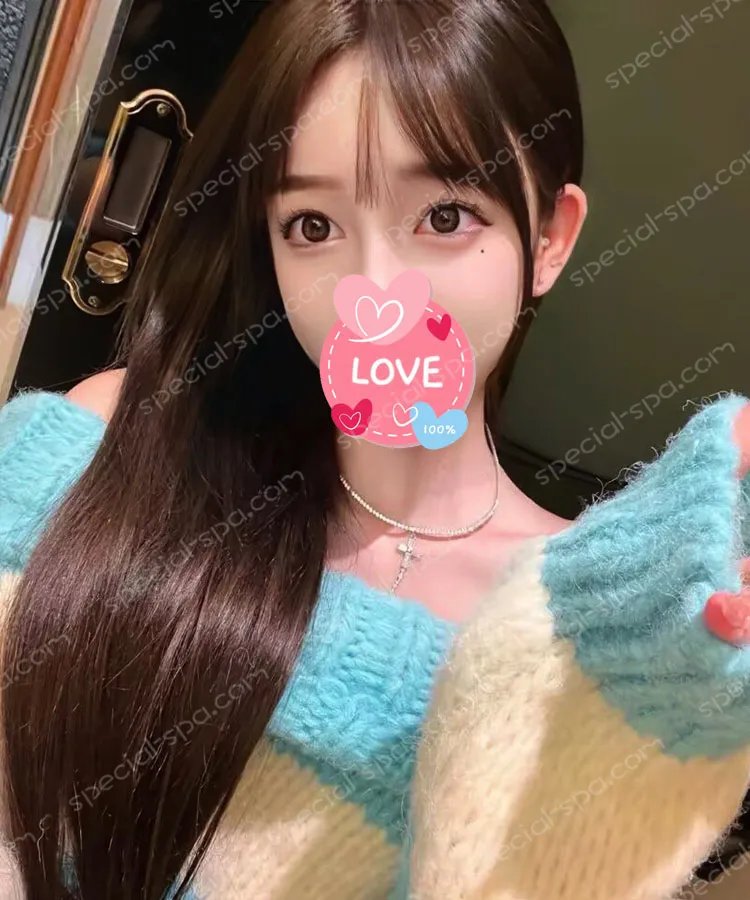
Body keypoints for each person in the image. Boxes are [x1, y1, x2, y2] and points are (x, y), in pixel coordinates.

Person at [0, 1, 748, 897]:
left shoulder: (571, 632)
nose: (375, 292)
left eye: (444, 215)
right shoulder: (106, 448)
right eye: (313, 226)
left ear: (550, 238)